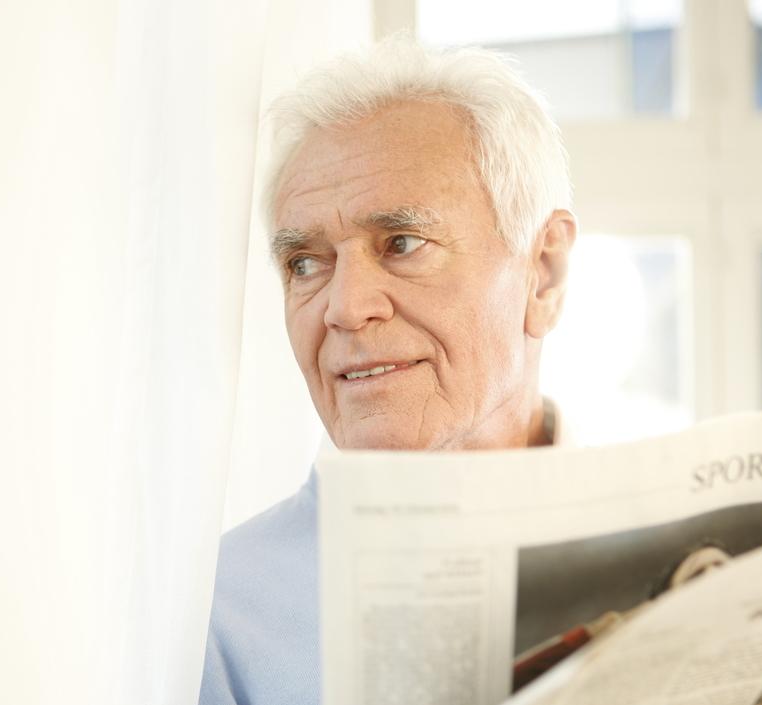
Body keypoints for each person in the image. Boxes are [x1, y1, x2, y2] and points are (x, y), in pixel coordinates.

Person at [198, 37, 577, 705]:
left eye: (402, 244)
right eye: (305, 264)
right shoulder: (211, 615)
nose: (344, 308)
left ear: (542, 273)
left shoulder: (710, 567)